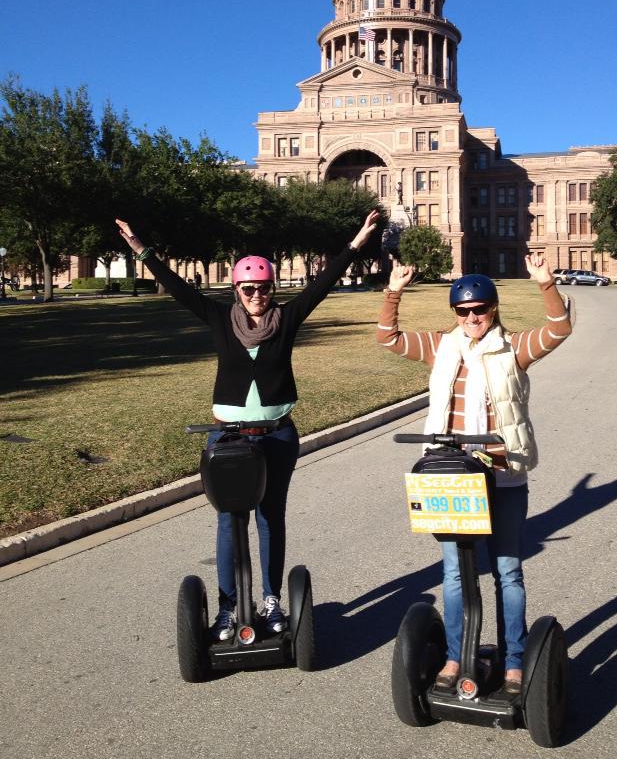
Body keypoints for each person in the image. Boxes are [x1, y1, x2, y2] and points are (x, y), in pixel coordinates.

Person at [117, 211, 379, 639]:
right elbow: (179, 288)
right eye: (248, 288)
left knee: (270, 517)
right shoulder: (221, 319)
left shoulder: (286, 320)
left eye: (263, 288)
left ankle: (272, 599)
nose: (257, 295)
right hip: (229, 437)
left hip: (277, 436)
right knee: (229, 520)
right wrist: (140, 248)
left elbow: (322, 283)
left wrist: (356, 243)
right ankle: (228, 608)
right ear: (237, 290)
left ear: (272, 288)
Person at [377, 253, 572, 693]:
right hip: (452, 477)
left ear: (493, 308)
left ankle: (514, 660)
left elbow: (559, 329)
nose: (471, 318)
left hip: (502, 476)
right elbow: (388, 338)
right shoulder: (441, 347)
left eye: (479, 309)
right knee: (453, 573)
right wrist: (394, 292)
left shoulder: (513, 348)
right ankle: (455, 656)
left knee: (507, 571)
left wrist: (546, 284)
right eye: (462, 311)